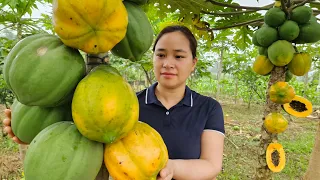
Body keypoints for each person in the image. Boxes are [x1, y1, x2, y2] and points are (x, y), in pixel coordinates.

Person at [3, 25, 225, 180]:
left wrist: (167, 169)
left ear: (193, 62)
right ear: (153, 58)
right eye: (161, 55)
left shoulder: (209, 108)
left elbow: (212, 165)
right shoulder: (127, 105)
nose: (168, 63)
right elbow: (81, 134)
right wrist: (26, 129)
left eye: (178, 56)